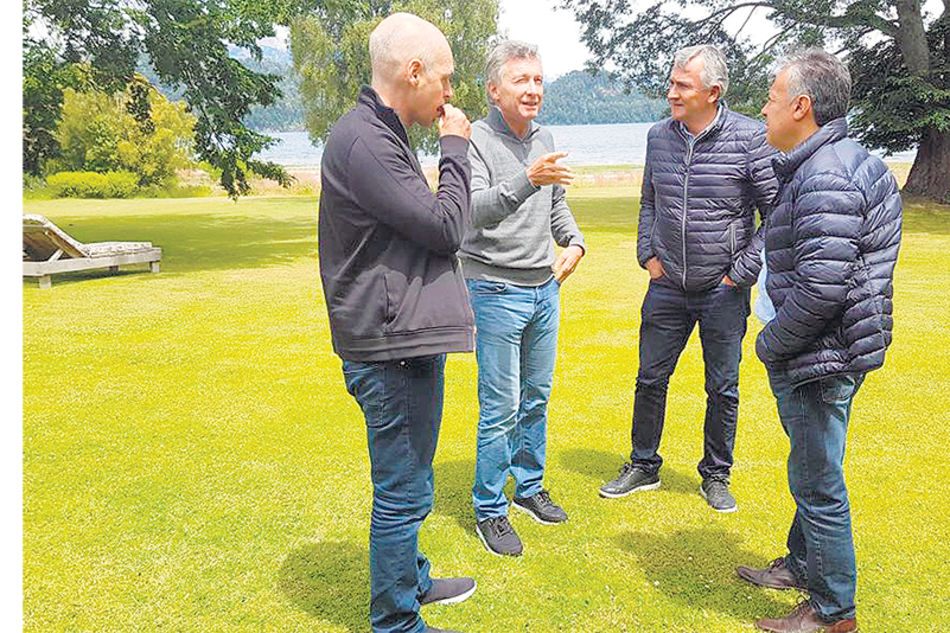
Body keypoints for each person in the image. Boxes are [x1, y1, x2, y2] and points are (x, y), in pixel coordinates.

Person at [317, 13, 478, 633]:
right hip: (389, 346)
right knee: (403, 490)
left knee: (410, 480)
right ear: (413, 72)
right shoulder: (365, 142)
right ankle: (396, 622)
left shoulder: (379, 135)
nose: (448, 93)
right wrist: (457, 148)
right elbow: (445, 227)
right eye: (444, 78)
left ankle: (411, 579)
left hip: (396, 336)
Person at [736, 48, 902, 633]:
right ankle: (803, 565)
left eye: (772, 98)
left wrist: (770, 342)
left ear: (802, 107)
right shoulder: (838, 161)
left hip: (816, 356)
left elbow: (823, 287)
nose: (763, 109)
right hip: (834, 350)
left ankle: (833, 612)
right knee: (814, 464)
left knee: (818, 481)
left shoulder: (825, 174)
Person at [599, 44, 778, 512]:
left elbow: (777, 213)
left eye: (682, 85)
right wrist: (648, 257)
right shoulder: (659, 135)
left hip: (722, 290)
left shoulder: (751, 139)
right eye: (672, 82)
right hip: (666, 285)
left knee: (722, 386)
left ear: (713, 93)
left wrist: (740, 273)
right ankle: (643, 465)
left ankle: (716, 475)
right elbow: (648, 201)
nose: (671, 92)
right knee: (649, 377)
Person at [460, 40, 586, 557]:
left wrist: (575, 241)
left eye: (537, 80)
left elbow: (556, 208)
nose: (533, 89)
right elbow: (472, 211)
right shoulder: (475, 141)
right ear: (494, 90)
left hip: (543, 290)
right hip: (493, 290)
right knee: (500, 409)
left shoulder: (546, 138)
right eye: (521, 80)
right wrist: (527, 178)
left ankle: (528, 488)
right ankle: (490, 508)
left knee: (536, 398)